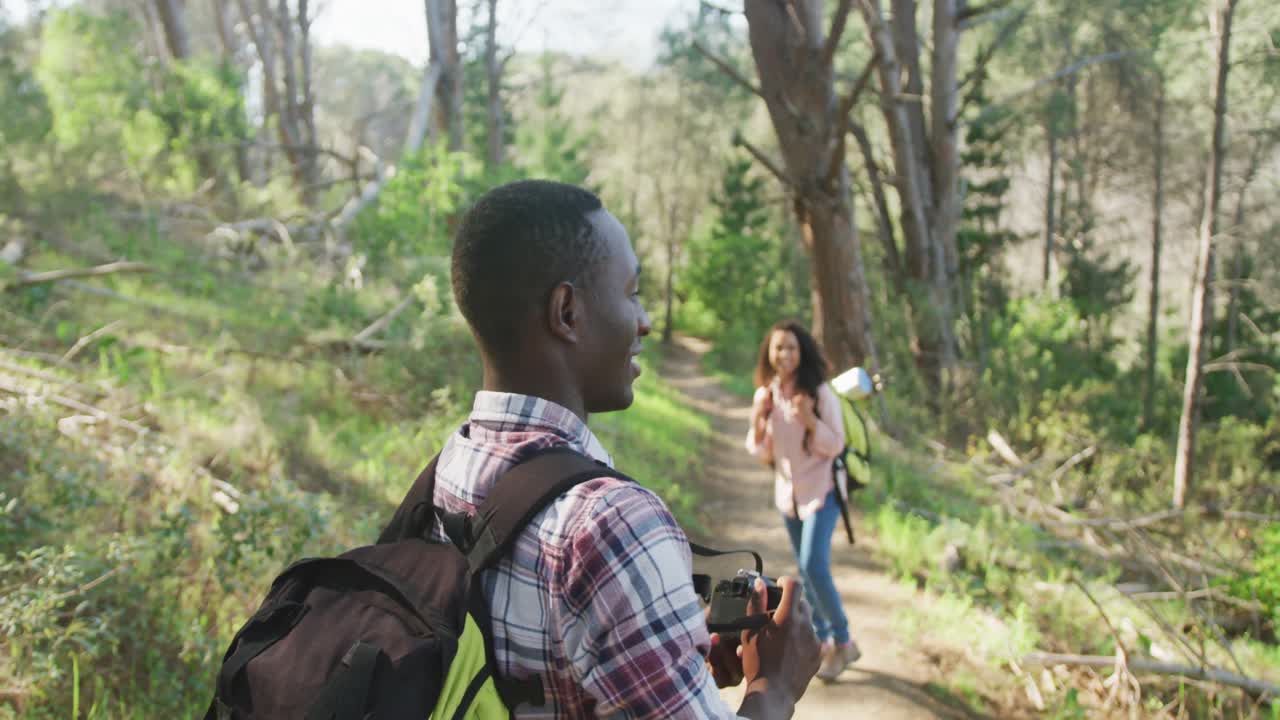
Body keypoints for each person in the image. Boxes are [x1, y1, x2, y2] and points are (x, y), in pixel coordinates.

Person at [430, 179, 821, 718]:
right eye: (631, 292)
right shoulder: (608, 524)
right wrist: (774, 685)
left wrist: (655, 656)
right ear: (567, 312)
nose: (646, 321)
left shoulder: (455, 460)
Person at [745, 321, 860, 682]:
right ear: (769, 353)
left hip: (823, 492)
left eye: (792, 348)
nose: (785, 355)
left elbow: (835, 444)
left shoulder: (820, 393)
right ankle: (824, 640)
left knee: (813, 564)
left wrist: (810, 420)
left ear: (802, 352)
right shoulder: (766, 395)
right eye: (779, 348)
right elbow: (760, 451)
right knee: (805, 567)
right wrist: (759, 421)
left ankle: (844, 640)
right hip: (789, 496)